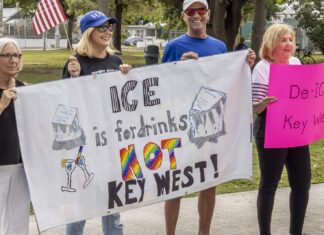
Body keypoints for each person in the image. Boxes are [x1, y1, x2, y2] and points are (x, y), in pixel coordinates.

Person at [162, 1, 256, 235]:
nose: (196, 15)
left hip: (210, 125)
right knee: (175, 186)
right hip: (180, 124)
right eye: (191, 11)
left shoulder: (220, 46)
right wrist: (177, 67)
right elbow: (160, 84)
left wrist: (245, 65)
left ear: (208, 14)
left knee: (209, 184)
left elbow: (228, 81)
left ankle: (204, 232)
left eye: (200, 10)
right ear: (184, 16)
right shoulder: (173, 46)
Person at [62, 10, 132, 235]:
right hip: (85, 144)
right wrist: (73, 78)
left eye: (109, 27)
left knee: (113, 201)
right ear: (89, 33)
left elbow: (124, 101)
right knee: (81, 204)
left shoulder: (116, 61)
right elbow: (65, 105)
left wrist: (127, 78)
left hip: (112, 141)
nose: (107, 31)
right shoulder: (75, 62)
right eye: (101, 28)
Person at [252, 23, 311, 235]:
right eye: (283, 39)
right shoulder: (262, 68)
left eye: (290, 39)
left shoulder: (296, 63)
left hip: (295, 129)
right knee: (269, 185)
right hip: (270, 128)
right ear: (271, 43)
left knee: (302, 184)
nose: (288, 44)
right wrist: (264, 103)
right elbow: (255, 108)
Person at [0, 38, 30, 235]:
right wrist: (3, 102)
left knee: (18, 223)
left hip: (19, 164)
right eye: (7, 55)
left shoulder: (24, 88)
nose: (13, 60)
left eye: (16, 55)